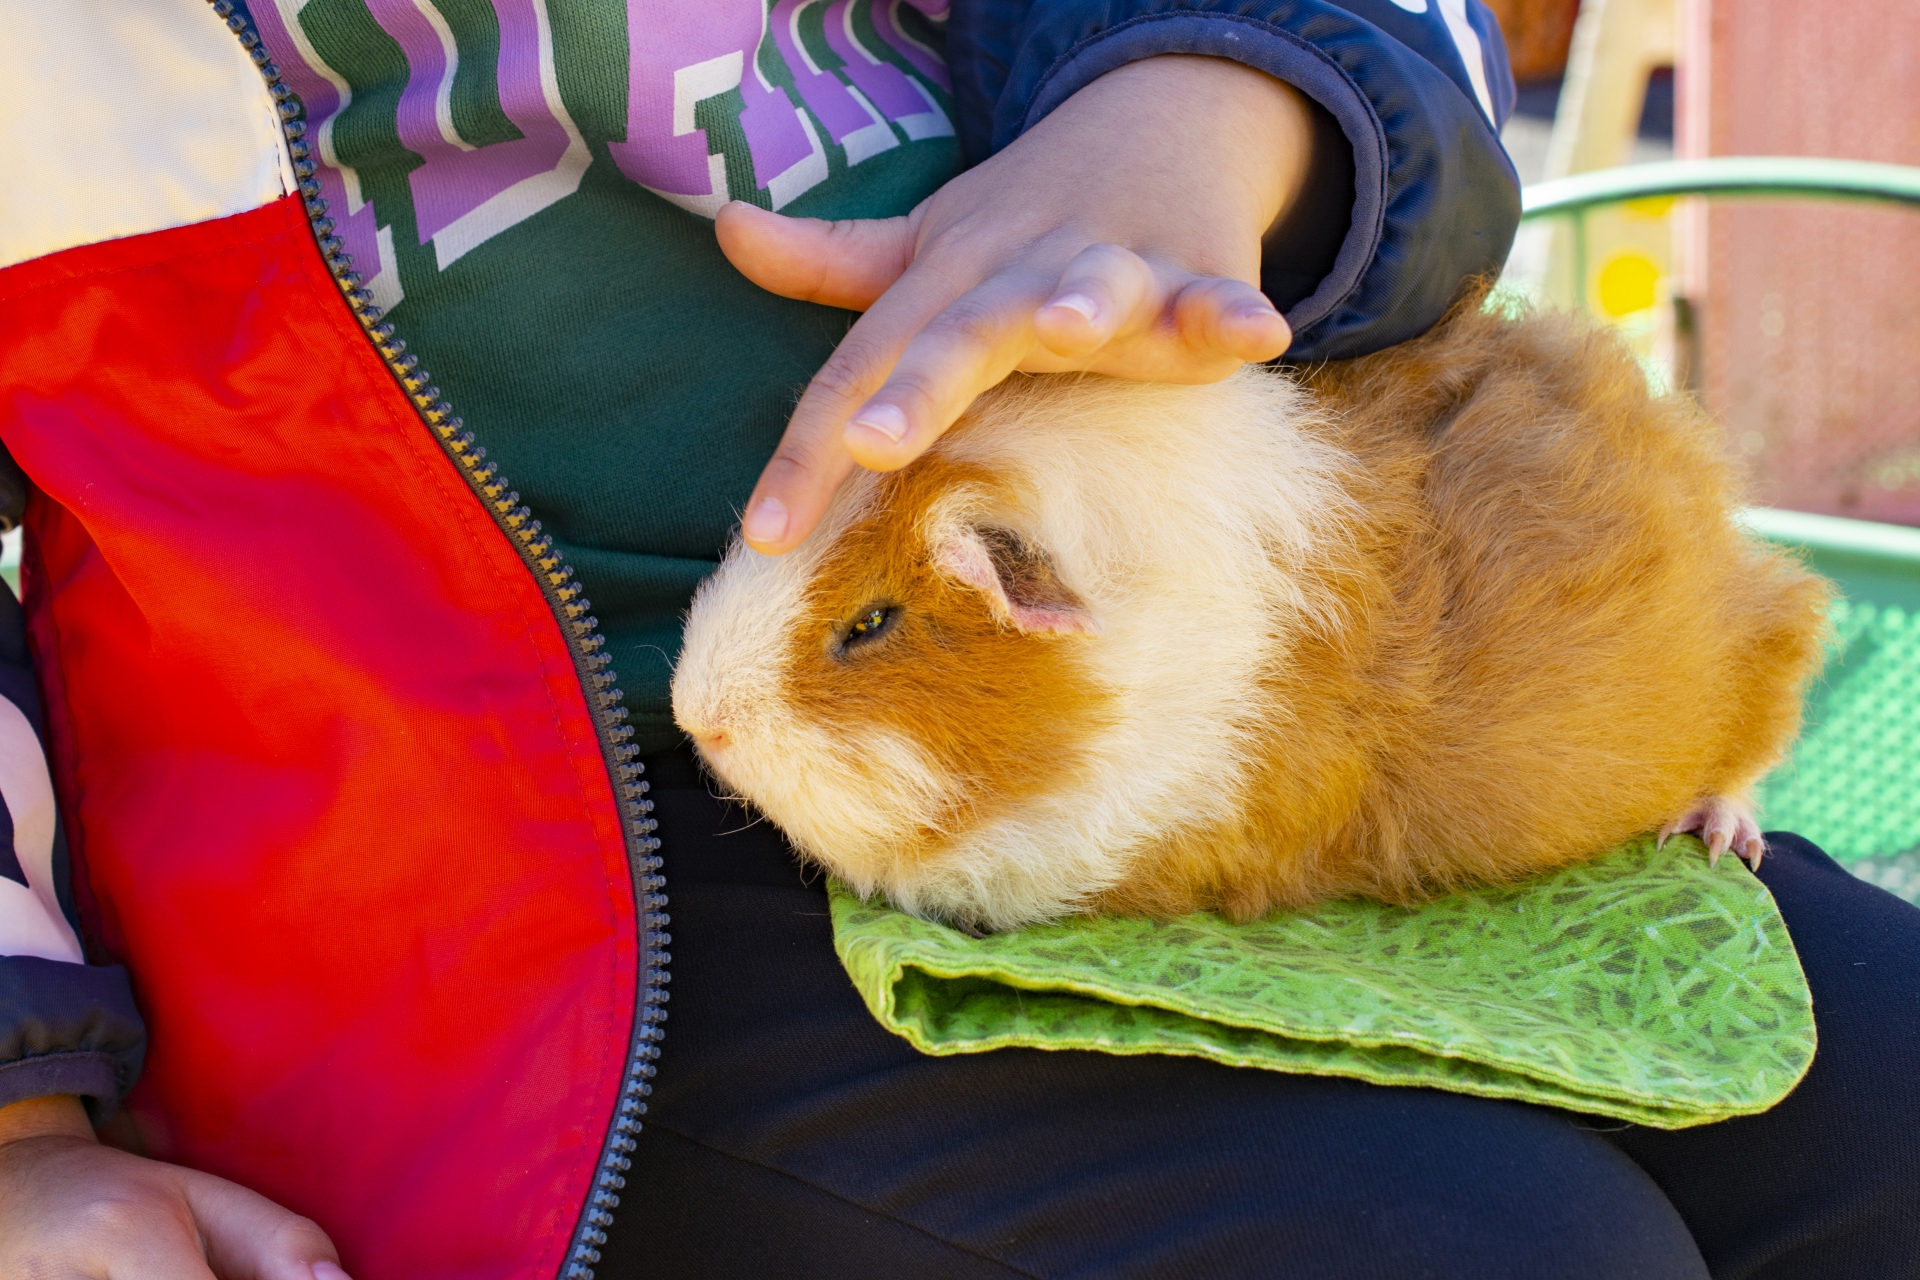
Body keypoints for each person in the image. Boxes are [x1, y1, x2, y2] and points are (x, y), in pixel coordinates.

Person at [0, 1, 1914, 1277]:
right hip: (472, 885)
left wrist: (1203, 117)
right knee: (1481, 1251)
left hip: (1175, 668)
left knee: (1885, 1112)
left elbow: (1402, 41)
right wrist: (21, 1117)